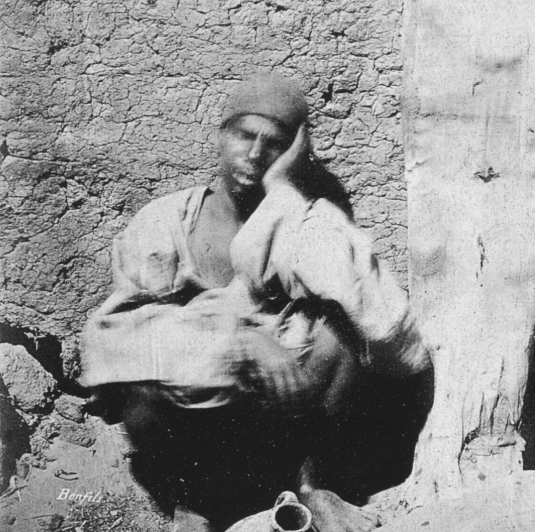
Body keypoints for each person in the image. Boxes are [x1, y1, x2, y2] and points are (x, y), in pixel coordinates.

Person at [81, 75, 429, 532]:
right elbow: (119, 332)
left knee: (338, 331)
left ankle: (315, 484)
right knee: (137, 377)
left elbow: (374, 310)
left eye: (275, 143)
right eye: (245, 135)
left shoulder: (299, 220)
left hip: (283, 415)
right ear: (220, 136)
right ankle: (193, 503)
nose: (255, 153)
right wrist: (238, 342)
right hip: (196, 418)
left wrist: (284, 186)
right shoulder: (164, 223)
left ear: (293, 152)